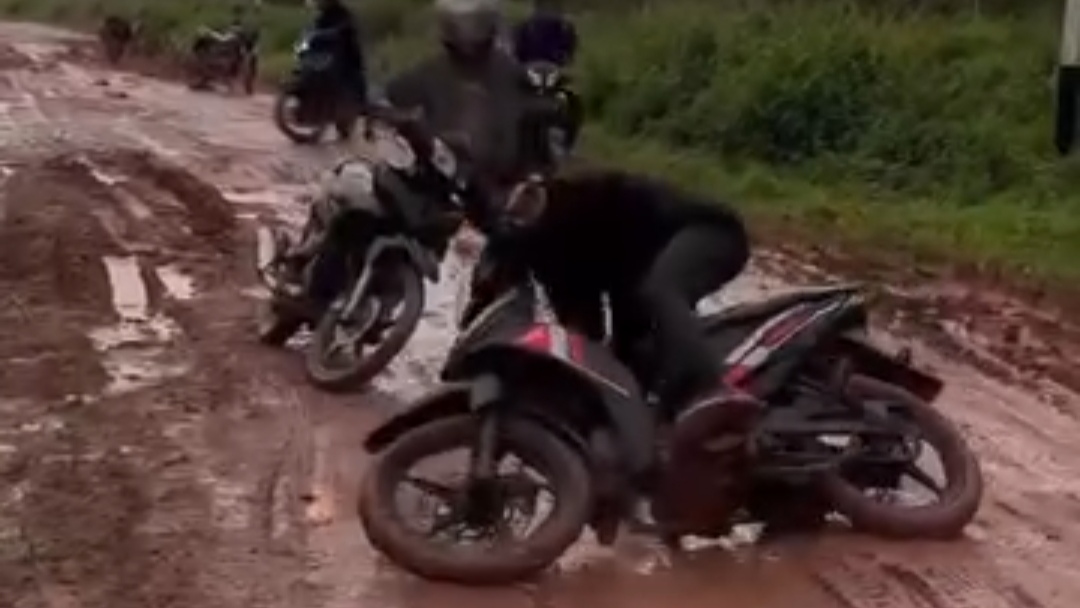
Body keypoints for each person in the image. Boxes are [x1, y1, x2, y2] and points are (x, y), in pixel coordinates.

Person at [383, 0, 559, 200]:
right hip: (439, 191)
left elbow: (540, 149)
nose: (467, 42)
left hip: (509, 188)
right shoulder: (420, 79)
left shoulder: (515, 77)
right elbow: (390, 119)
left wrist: (532, 181)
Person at [310, 0, 368, 121]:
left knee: (353, 73)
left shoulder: (343, 13)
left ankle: (360, 103)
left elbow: (347, 28)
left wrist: (338, 31)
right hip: (327, 51)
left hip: (346, 51)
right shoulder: (324, 15)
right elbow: (315, 28)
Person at [511, 0, 578, 67]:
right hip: (550, 60)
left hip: (534, 60)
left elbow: (517, 51)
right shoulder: (563, 26)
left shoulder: (526, 26)